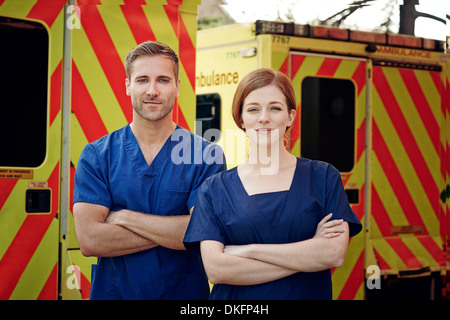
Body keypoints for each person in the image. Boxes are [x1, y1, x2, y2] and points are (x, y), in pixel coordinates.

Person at [183, 68, 362, 300]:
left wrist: (249, 250)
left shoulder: (323, 177)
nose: (264, 117)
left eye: (275, 108)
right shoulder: (214, 189)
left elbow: (334, 254)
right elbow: (217, 270)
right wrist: (309, 253)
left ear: (290, 116)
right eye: (253, 109)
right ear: (241, 119)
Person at [73, 41, 226, 300]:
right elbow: (90, 240)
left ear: (177, 87)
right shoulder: (98, 155)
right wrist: (177, 231)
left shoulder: (206, 156)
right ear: (128, 86)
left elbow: (203, 235)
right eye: (142, 80)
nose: (152, 90)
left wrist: (123, 217)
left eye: (163, 80)